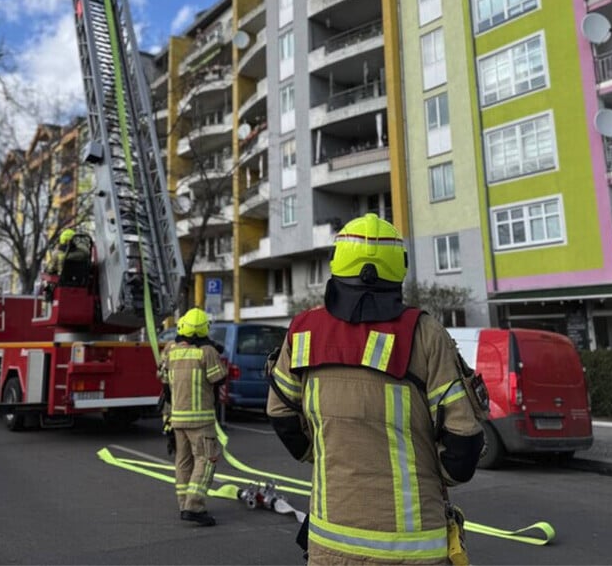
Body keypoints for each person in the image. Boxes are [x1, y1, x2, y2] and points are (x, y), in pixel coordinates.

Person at [266, 213, 487, 565]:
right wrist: (435, 476)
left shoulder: (303, 332)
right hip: (413, 548)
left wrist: (323, 455)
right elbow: (464, 440)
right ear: (399, 267)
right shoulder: (425, 334)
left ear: (336, 264)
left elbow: (281, 413)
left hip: (328, 543)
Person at [159, 308, 226, 527]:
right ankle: (194, 506)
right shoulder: (207, 352)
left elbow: (163, 379)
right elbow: (218, 379)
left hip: (177, 418)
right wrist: (216, 352)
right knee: (206, 460)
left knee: (183, 461)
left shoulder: (170, 350)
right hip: (201, 420)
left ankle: (183, 503)